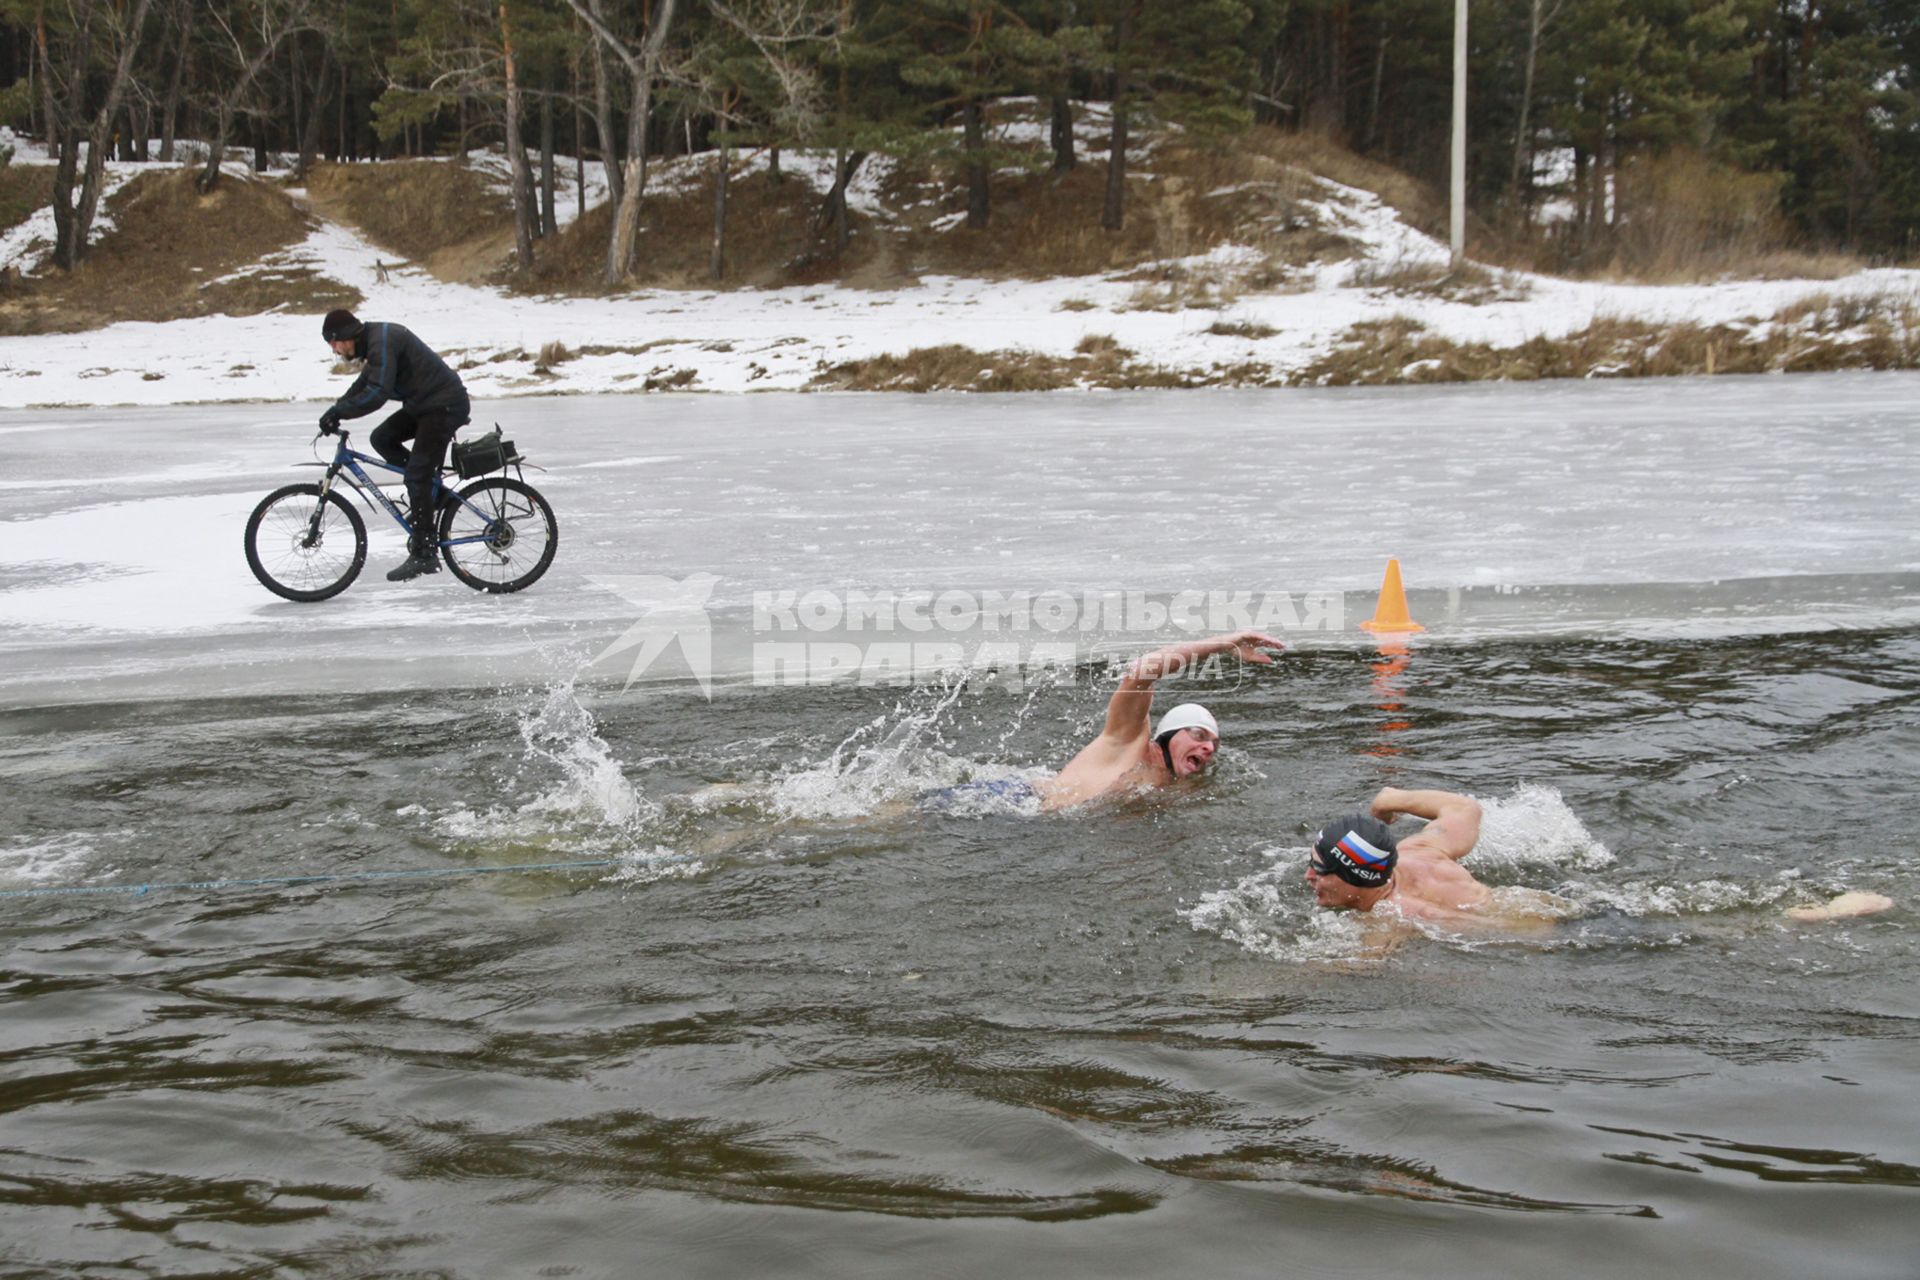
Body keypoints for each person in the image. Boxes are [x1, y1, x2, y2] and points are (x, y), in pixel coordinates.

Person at [1306, 786, 1893, 929]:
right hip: (1575, 907)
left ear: (1360, 880)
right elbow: (1464, 810)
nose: (1309, 876)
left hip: (1574, 940)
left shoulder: (1395, 921)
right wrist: (1392, 800)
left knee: (1719, 932)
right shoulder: (1420, 851)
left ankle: (1821, 918)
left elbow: (1344, 973)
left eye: (1321, 870)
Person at [1032, 629, 1284, 811]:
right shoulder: (1129, 740)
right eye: (1198, 734)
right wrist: (1224, 644)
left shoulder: (1175, 786)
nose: (1208, 748)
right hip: (1022, 803)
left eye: (1213, 745)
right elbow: (1141, 670)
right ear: (1169, 734)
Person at [317, 309, 472, 582]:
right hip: (426, 404)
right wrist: (336, 409)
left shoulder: (382, 340)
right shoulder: (374, 341)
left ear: (345, 335)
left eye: (334, 342)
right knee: (382, 439)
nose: (335, 350)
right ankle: (432, 493)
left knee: (416, 475)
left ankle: (425, 553)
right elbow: (365, 382)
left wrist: (342, 413)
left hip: (443, 406)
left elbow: (377, 392)